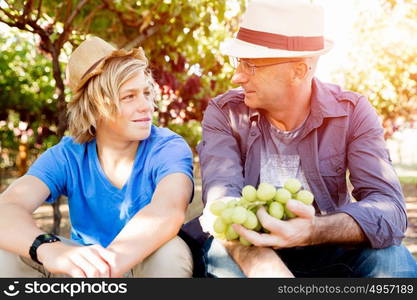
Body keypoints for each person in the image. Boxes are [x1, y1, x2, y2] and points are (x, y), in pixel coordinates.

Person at [192, 0, 417, 277]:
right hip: (251, 247)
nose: (237, 76)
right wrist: (264, 265)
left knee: (392, 260)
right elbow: (221, 203)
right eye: (238, 62)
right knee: (221, 259)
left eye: (251, 65)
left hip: (328, 247)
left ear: (298, 71)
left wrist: (311, 231)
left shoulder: (352, 112)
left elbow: (390, 210)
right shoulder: (224, 113)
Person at [0, 37, 194, 278]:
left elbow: (168, 210)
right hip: (84, 266)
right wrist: (48, 248)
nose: (146, 106)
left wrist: (107, 268)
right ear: (95, 107)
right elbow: (7, 207)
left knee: (170, 251)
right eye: (129, 97)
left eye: (146, 93)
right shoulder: (68, 155)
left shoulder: (167, 147)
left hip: (138, 263)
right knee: (6, 251)